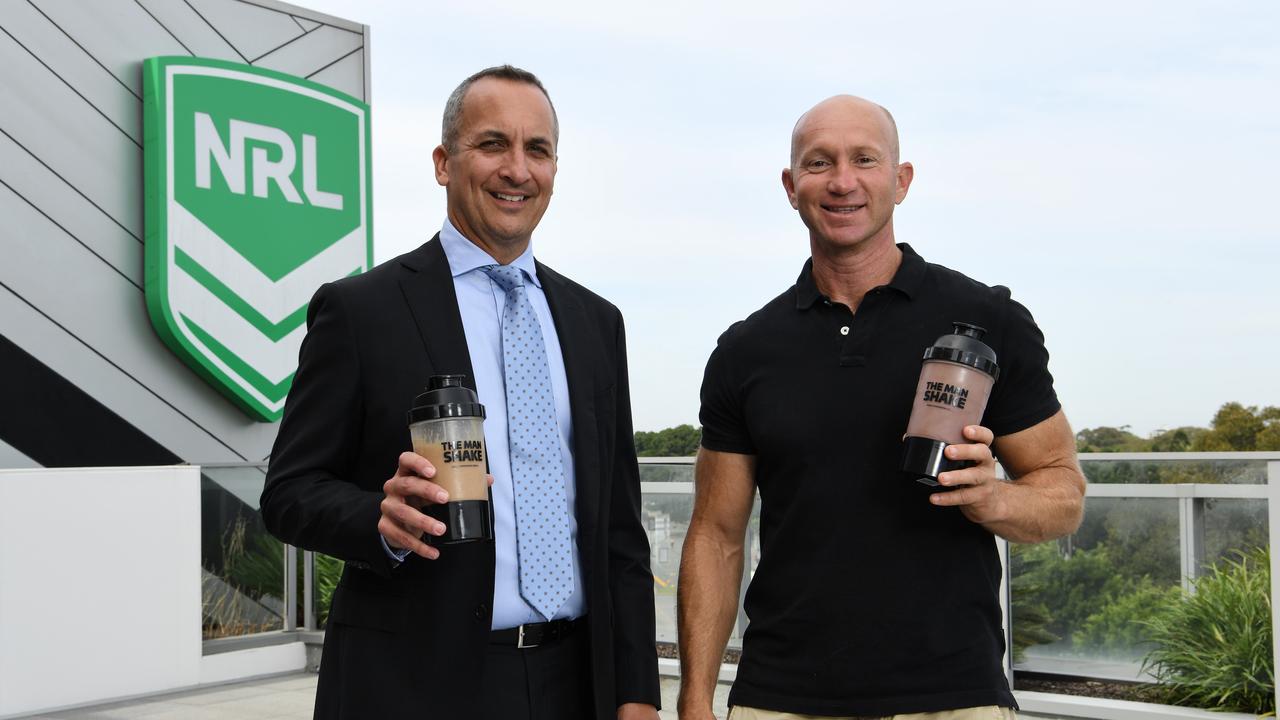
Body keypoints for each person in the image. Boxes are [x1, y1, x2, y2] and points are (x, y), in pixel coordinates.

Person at [261, 65, 660, 720]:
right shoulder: (362, 312)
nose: (517, 169)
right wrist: (377, 520)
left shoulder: (595, 323)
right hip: (416, 686)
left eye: (538, 150)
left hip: (575, 683)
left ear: (555, 168)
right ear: (445, 162)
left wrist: (638, 692)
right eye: (493, 144)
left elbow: (619, 530)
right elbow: (288, 493)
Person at [676, 95, 1086, 720]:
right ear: (791, 187)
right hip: (779, 698)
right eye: (819, 163)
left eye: (865, 159)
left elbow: (1063, 493)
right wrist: (696, 699)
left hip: (954, 697)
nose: (843, 181)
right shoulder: (745, 350)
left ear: (901, 181)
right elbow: (716, 534)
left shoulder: (988, 320)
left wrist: (993, 497)